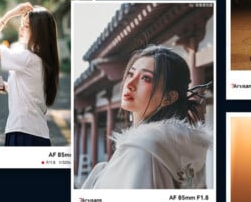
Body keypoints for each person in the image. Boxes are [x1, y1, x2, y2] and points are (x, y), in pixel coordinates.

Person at [81, 45, 212, 189]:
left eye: (146, 78)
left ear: (168, 98)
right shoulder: (189, 151)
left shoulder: (141, 150)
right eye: (131, 74)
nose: (129, 84)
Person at [0, 2, 60, 146]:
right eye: (22, 24)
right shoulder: (41, 57)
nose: (21, 28)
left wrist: (8, 15)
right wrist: (8, 87)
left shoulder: (27, 57)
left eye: (27, 26)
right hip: (35, 132)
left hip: (23, 132)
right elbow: (31, 92)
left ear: (40, 31)